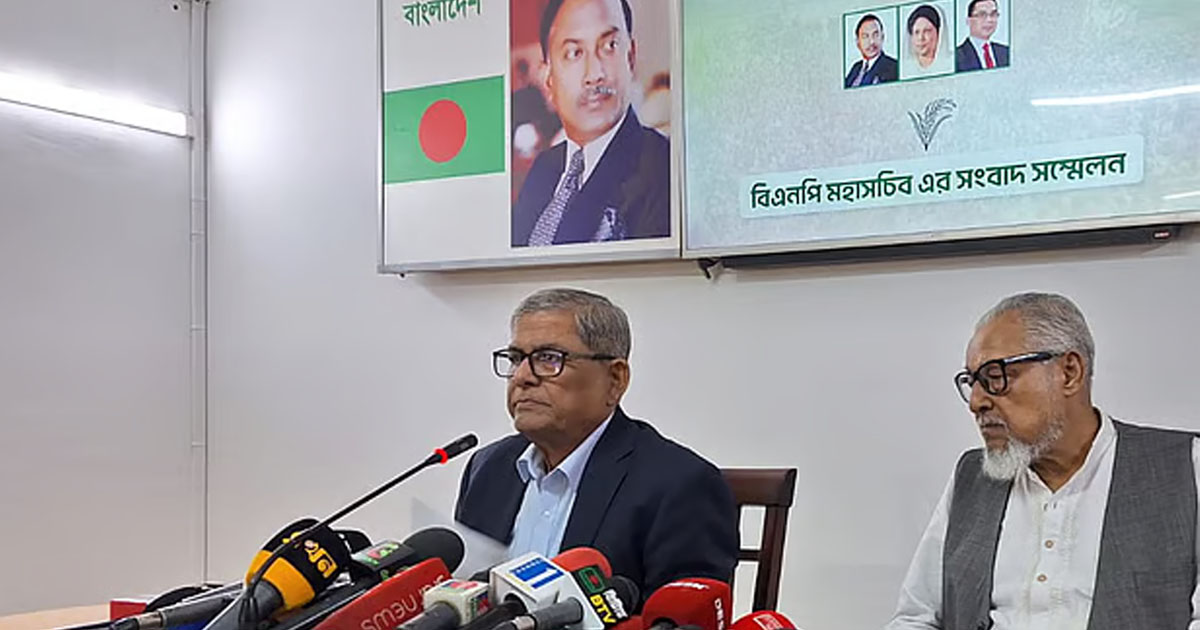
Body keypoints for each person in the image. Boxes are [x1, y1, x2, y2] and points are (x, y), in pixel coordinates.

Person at [885, 292, 1200, 629]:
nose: (976, 402)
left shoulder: (1186, 467)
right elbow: (917, 617)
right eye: (972, 382)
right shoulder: (971, 477)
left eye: (995, 376)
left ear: (1069, 372)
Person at [454, 288, 739, 600]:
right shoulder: (489, 468)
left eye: (549, 359)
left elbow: (683, 616)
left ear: (615, 380)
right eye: (515, 358)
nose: (522, 377)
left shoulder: (679, 484)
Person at [510, 0, 670, 247]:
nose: (595, 74)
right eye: (574, 53)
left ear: (630, 58)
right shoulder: (543, 168)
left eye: (609, 46)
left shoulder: (662, 166)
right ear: (549, 79)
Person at [844, 13, 898, 88]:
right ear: (858, 42)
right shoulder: (855, 68)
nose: (871, 42)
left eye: (875, 35)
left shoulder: (894, 67)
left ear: (882, 37)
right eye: (865, 36)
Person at [955, 0, 1009, 72]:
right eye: (982, 15)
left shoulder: (1006, 52)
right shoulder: (957, 57)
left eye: (993, 14)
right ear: (968, 21)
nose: (989, 20)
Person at [901, 5, 951, 79]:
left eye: (927, 31)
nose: (921, 38)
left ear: (939, 32)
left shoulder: (952, 63)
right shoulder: (904, 71)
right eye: (916, 32)